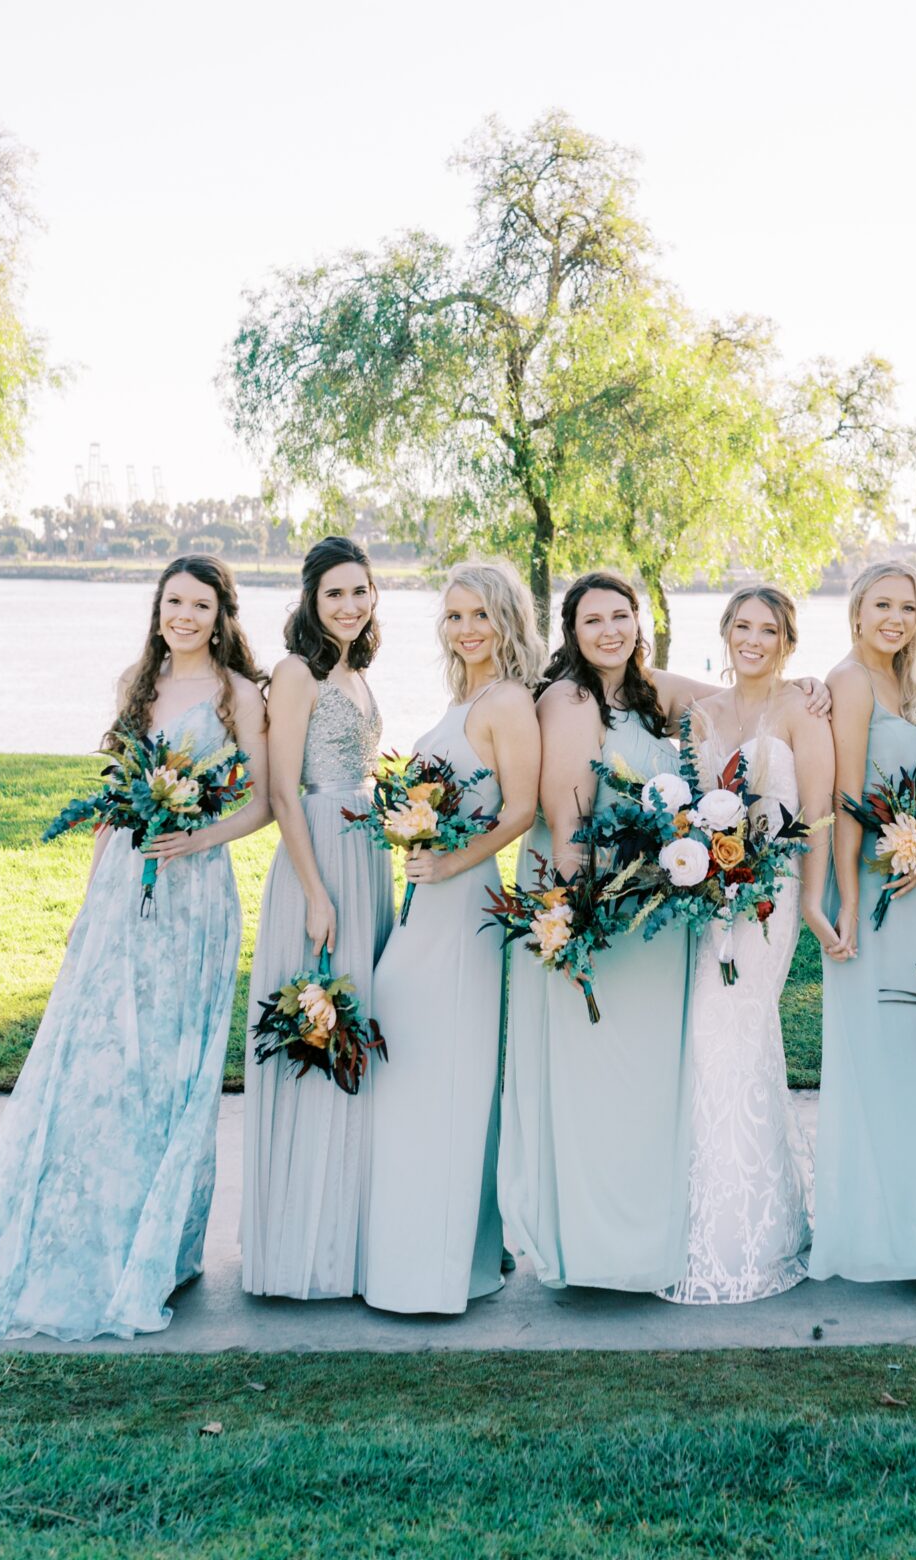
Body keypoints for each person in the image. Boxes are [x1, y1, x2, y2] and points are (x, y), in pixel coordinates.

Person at [0, 556, 270, 1341]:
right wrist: (87, 903)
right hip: (123, 885)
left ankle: (164, 1247)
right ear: (156, 607)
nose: (184, 616)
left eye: (200, 605)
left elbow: (263, 802)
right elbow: (115, 798)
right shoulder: (138, 680)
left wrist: (199, 833)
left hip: (196, 892)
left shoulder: (240, 696)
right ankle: (98, 1223)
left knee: (172, 1063)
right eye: (172, 602)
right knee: (105, 1056)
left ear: (223, 614)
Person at [499, 569, 831, 1292]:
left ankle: (655, 1237)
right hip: (603, 913)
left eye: (621, 616)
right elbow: (565, 821)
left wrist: (807, 686)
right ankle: (599, 1251)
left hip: (656, 916)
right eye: (593, 621)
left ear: (638, 622)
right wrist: (575, 915)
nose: (609, 631)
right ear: (572, 632)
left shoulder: (652, 692)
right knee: (600, 1080)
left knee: (654, 1083)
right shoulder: (570, 697)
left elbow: (739, 692)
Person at [363, 560, 543, 1314]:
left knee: (445, 1074)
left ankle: (437, 1271)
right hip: (427, 899)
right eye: (453, 616)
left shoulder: (506, 701)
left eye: (479, 615)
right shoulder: (462, 697)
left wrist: (447, 860)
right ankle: (422, 1251)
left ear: (506, 620)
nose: (465, 629)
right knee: (414, 1068)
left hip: (463, 902)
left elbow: (521, 811)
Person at [806, 561, 916, 1286]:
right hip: (876, 907)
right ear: (855, 613)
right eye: (882, 605)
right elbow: (847, 804)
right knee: (878, 1060)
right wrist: (846, 901)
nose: (895, 619)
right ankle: (877, 1234)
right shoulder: (847, 681)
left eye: (907, 608)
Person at [658, 586, 833, 1305]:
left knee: (730, 1031)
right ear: (724, 633)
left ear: (788, 641)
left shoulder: (801, 707)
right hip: (706, 897)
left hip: (772, 897)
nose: (752, 639)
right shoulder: (699, 713)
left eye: (767, 629)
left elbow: (818, 814)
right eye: (740, 626)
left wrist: (816, 901)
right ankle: (701, 1225)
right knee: (702, 1043)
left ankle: (747, 1239)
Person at [241, 535, 394, 1299]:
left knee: (356, 1026)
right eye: (334, 593)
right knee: (316, 1024)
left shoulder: (357, 672)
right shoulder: (296, 673)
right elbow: (279, 791)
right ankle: (301, 1249)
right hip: (320, 863)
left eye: (359, 592)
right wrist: (315, 892)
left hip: (367, 857)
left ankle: (353, 1234)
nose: (348, 605)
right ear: (310, 600)